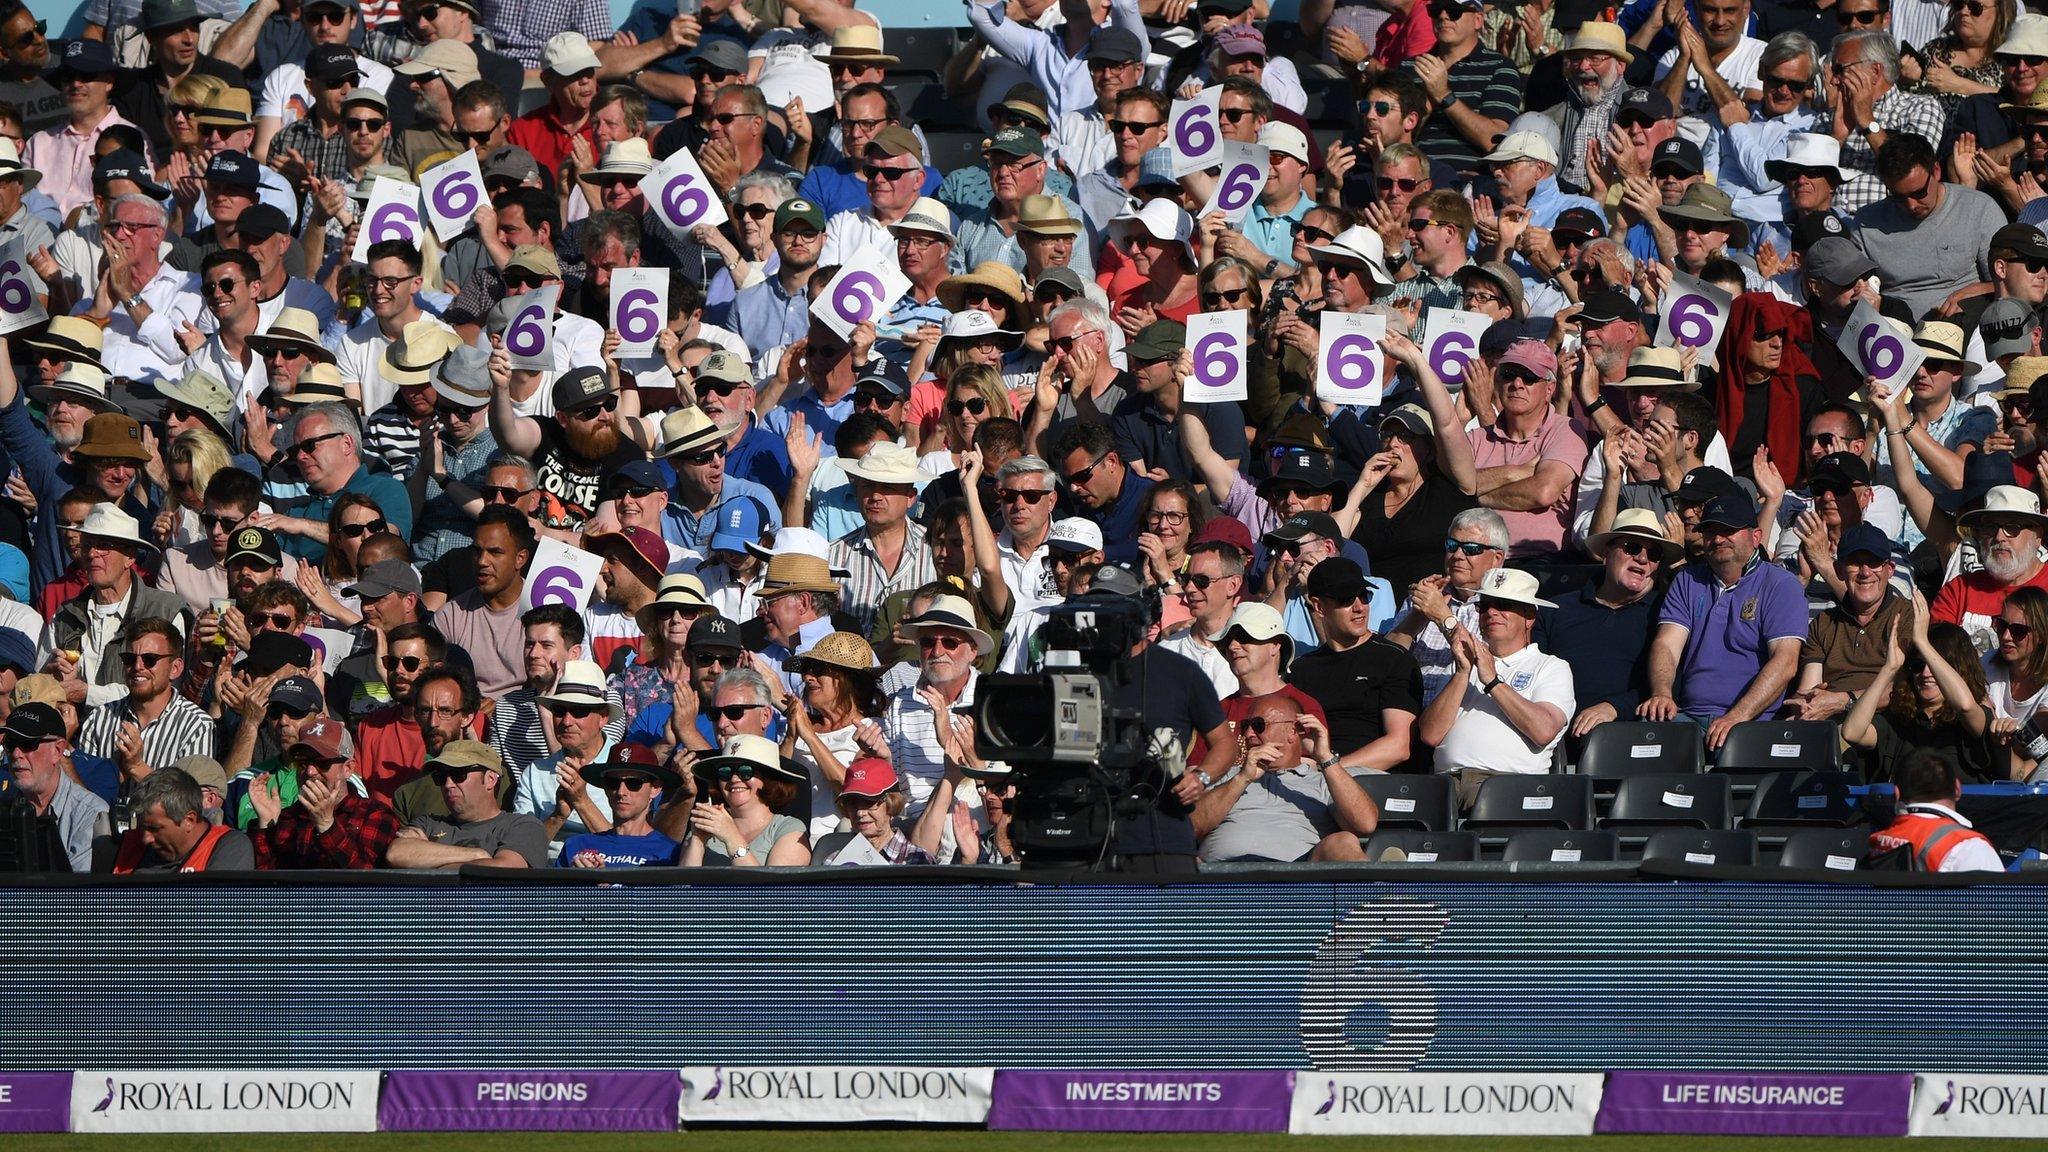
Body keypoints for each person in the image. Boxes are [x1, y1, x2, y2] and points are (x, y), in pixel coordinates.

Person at [1640, 489, 1809, 748]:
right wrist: (1662, 694)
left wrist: (1737, 716)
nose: (1718, 538)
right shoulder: (1688, 580)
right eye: (1710, 531)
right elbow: (1666, 645)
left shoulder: (1780, 584)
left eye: (1728, 530)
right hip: (1687, 717)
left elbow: (1785, 661)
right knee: (1640, 745)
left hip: (1755, 722)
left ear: (1756, 537)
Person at [1419, 567, 1576, 805]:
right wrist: (1463, 672)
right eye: (1485, 605)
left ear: (1529, 617)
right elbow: (1430, 734)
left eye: (1503, 605)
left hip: (1508, 787)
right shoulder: (1460, 663)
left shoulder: (1551, 666)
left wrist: (1493, 681)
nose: (1491, 612)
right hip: (1445, 785)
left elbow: (1544, 730)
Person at [1192, 695, 1379, 863]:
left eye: (1258, 725)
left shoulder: (1324, 781)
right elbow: (1193, 826)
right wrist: (1243, 778)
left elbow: (1365, 825)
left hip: (1298, 879)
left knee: (1343, 842)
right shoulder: (1228, 775)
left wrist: (1325, 757)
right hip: (1223, 874)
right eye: (1245, 726)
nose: (1248, 734)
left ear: (1292, 731)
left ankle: (1382, 896)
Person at [247, 714, 401, 869]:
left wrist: (327, 826)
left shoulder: (375, 815)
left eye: (322, 763)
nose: (310, 771)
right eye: (302, 762)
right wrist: (266, 824)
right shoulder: (289, 817)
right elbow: (268, 884)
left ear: (348, 768)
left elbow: (368, 882)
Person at [385, 740, 549, 868]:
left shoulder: (523, 826)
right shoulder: (428, 823)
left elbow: (504, 869)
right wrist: (477, 855)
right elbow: (396, 853)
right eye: (441, 777)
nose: (448, 784)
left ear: (490, 779)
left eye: (458, 774)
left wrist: (430, 862)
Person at [3, 701, 107, 871]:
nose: (16, 754)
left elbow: (76, 890)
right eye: (10, 743)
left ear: (57, 751)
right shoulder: (4, 807)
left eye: (28, 743)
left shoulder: (91, 813)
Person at [678, 733, 811, 866]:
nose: (734, 779)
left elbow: (772, 886)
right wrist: (697, 841)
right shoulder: (709, 824)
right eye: (725, 772)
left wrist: (731, 837)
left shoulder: (789, 829)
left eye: (746, 771)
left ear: (768, 779)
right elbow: (683, 885)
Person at [1867, 746, 2006, 871]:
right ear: (1957, 789)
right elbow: (1999, 898)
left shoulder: (1876, 842)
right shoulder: (1969, 848)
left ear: (1897, 793)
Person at [556, 744, 682, 868]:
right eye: (613, 782)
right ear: (605, 788)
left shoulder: (671, 853)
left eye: (633, 783)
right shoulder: (576, 846)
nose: (621, 792)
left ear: (655, 789)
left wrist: (601, 883)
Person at [109, 766, 255, 872]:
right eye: (142, 827)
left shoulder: (230, 847)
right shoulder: (130, 844)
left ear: (189, 820)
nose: (146, 838)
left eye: (154, 829)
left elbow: (215, 911)